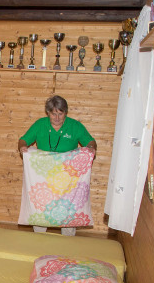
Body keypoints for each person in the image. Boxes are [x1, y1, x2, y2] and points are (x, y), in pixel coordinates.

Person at [17, 95, 97, 236]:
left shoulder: (75, 126)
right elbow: (23, 140)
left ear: (65, 112)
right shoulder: (40, 124)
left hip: (68, 179)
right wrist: (22, 147)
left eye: (61, 114)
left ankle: (67, 240)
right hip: (43, 177)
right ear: (48, 112)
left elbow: (90, 142)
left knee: (68, 209)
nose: (57, 118)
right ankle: (38, 239)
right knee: (41, 207)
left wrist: (91, 148)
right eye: (54, 114)